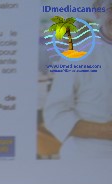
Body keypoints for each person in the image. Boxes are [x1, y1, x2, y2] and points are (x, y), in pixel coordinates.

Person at [42, 9, 112, 159]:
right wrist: (105, 131)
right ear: (98, 11)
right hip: (88, 157)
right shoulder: (78, 55)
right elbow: (56, 114)